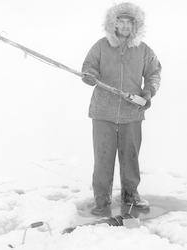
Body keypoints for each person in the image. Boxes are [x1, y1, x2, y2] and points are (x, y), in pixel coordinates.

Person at [82, 2, 162, 215]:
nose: (125, 26)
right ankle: (101, 199)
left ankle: (130, 194)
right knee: (103, 156)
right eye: (120, 21)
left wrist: (148, 92)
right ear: (113, 23)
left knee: (130, 157)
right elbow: (88, 66)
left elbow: (154, 73)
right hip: (103, 111)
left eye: (129, 22)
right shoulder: (100, 46)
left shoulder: (143, 49)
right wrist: (90, 75)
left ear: (135, 25)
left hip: (131, 112)